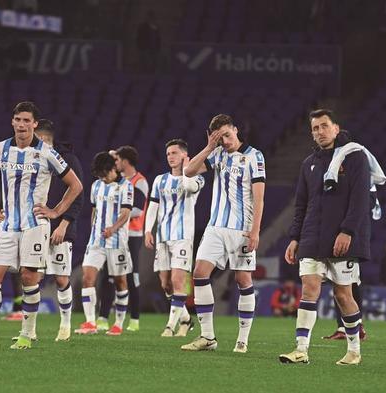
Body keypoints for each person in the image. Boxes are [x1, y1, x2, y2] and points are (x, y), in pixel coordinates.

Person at [0, 101, 83, 350]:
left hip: (35, 225)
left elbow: (76, 185)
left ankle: (26, 335)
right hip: (8, 225)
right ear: (12, 122)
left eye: (27, 120)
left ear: (35, 124)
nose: (22, 125)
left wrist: (56, 211)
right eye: (18, 120)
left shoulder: (47, 152)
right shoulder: (0, 149)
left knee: (29, 277)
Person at [279, 109, 371, 366]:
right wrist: (295, 237)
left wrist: (348, 231)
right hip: (311, 237)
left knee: (343, 295)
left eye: (324, 126)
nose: (319, 132)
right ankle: (301, 350)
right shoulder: (309, 163)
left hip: (342, 239)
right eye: (315, 128)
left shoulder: (355, 158)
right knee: (309, 289)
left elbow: (360, 199)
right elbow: (301, 205)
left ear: (336, 128)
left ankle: (354, 351)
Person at [181, 114, 266, 354]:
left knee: (242, 280)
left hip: (241, 229)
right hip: (215, 227)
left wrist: (255, 231)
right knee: (199, 273)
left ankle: (242, 339)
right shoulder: (216, 154)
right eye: (220, 137)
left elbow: (259, 198)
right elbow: (188, 171)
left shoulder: (254, 156)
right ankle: (207, 336)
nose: (225, 141)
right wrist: (209, 146)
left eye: (227, 135)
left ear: (236, 130)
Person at [144, 139, 204, 337]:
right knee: (165, 284)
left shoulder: (197, 179)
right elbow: (153, 206)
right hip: (163, 236)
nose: (170, 157)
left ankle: (170, 326)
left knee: (178, 280)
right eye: (168, 153)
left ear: (185, 156)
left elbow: (188, 187)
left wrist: (188, 168)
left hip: (183, 237)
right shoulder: (160, 180)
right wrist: (147, 230)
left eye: (175, 153)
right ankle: (186, 319)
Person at [35, 119, 84, 341]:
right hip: (35, 227)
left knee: (61, 278)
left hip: (60, 229)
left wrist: (64, 224)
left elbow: (77, 195)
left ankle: (65, 325)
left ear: (46, 139)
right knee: (31, 277)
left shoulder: (67, 160)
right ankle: (30, 329)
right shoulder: (30, 159)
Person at [74, 152, 133, 336]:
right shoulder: (96, 186)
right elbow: (94, 211)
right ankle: (90, 322)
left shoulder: (126, 187)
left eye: (103, 174)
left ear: (113, 169)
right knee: (87, 278)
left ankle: (119, 324)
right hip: (97, 241)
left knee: (120, 281)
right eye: (99, 175)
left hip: (117, 242)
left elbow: (125, 213)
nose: (101, 178)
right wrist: (94, 230)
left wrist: (112, 229)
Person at [99, 146, 148, 332]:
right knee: (109, 275)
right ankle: (103, 317)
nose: (115, 163)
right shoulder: (114, 180)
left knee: (130, 276)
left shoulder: (139, 181)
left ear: (125, 161)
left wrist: (118, 212)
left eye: (117, 160)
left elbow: (138, 210)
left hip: (132, 235)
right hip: (116, 233)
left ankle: (134, 319)